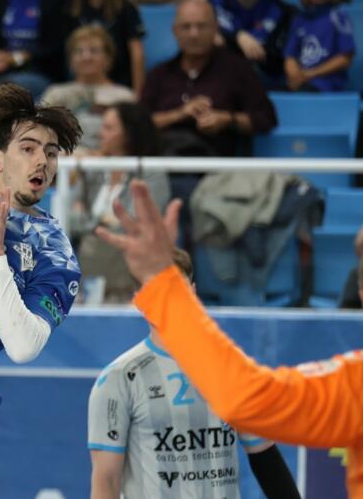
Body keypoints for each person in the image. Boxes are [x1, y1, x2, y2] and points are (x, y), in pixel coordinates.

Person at [96, 180, 363, 499]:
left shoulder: (354, 383)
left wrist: (163, 286)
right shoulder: (121, 377)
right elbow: (106, 479)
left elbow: (249, 408)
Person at [88, 247, 301, 498]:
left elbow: (265, 456)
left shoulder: (230, 365)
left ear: (193, 292)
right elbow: (107, 480)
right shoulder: (118, 378)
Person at [0, 82, 82, 459]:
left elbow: (23, 347)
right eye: (28, 149)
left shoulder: (54, 255)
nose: (42, 161)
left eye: (51, 153)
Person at [141, 0, 277, 159]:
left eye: (202, 26)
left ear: (215, 29)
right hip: (163, 163)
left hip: (215, 166)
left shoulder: (237, 69)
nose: (194, 34)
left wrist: (227, 119)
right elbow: (139, 125)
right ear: (175, 31)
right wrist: (180, 114)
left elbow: (266, 118)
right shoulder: (159, 74)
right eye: (186, 27)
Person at [74, 102, 170, 303]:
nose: (100, 134)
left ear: (128, 134)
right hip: (90, 273)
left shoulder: (151, 173)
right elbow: (71, 217)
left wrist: (91, 223)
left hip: (130, 275)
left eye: (108, 128)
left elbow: (135, 225)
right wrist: (101, 222)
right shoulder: (95, 170)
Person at [209, 0, 294, 88]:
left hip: (263, 80)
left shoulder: (281, 11)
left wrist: (229, 38)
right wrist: (237, 36)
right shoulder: (214, 2)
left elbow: (270, 56)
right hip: (220, 78)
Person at [64, 0, 145, 95]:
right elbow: (68, 52)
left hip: (118, 83)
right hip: (79, 84)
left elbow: (137, 53)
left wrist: (138, 95)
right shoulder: (72, 8)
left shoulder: (126, 7)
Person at [41, 25, 135, 154]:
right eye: (79, 51)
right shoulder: (55, 93)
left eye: (94, 51)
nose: (86, 57)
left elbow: (132, 140)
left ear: (108, 59)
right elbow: (41, 132)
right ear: (70, 60)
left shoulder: (125, 96)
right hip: (64, 160)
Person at [284, 0, 355, 92]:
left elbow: (345, 59)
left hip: (327, 85)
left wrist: (311, 74)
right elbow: (290, 57)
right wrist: (294, 75)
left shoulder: (339, 17)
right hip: (302, 82)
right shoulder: (299, 19)